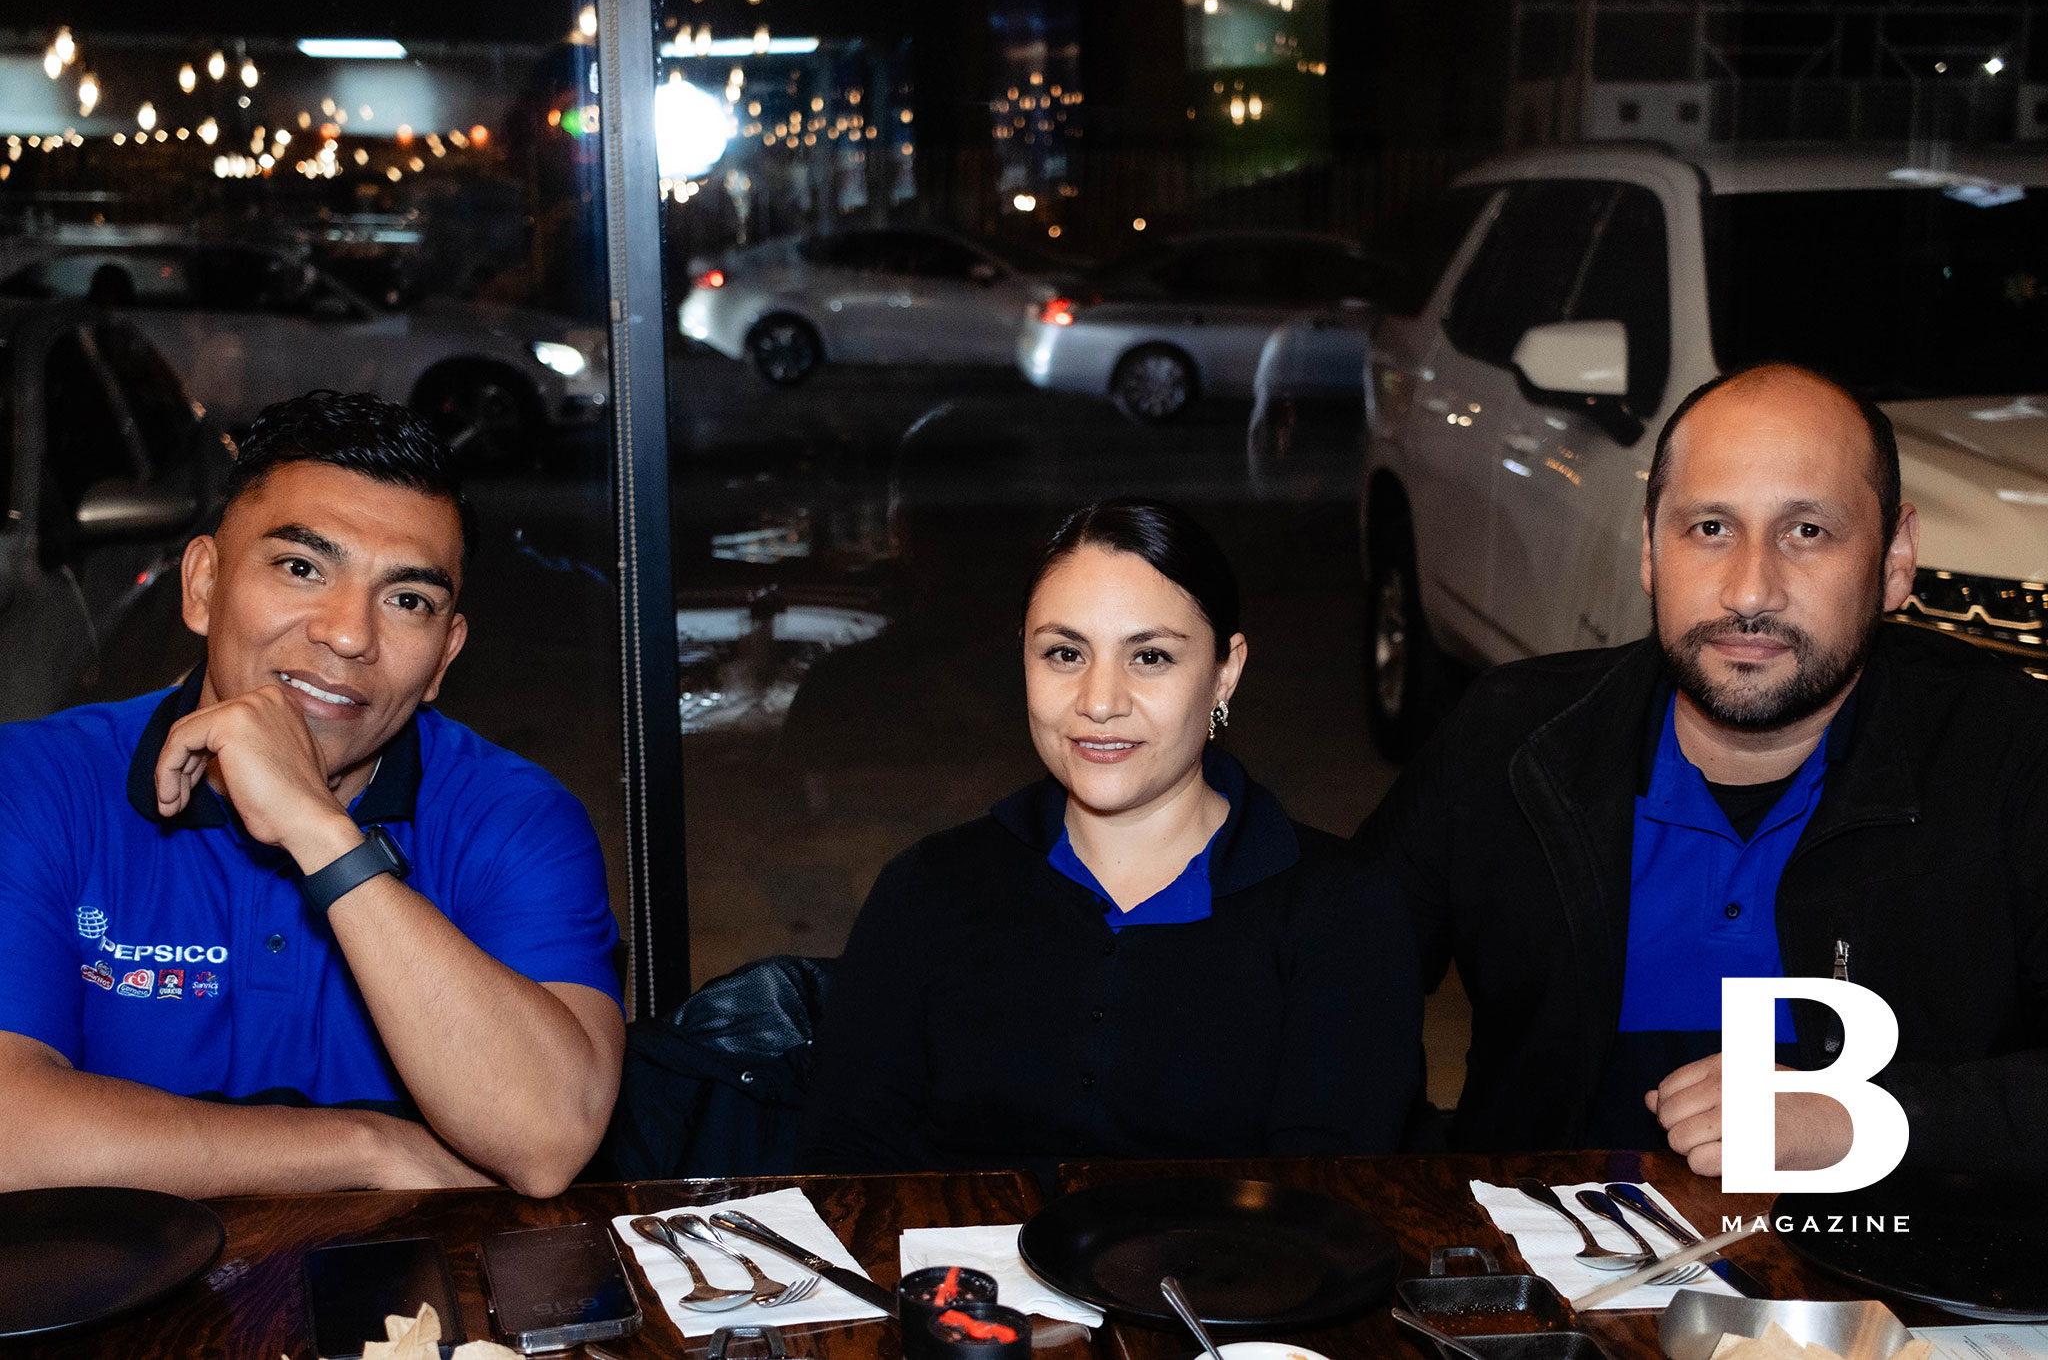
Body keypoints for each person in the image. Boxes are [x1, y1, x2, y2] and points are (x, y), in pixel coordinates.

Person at [1358, 363, 2048, 1176]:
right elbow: (1324, 977)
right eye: (1711, 527)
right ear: (1652, 549)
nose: (1750, 591)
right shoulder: (1513, 741)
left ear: (1896, 559)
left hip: (1887, 1259)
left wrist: (1864, 1118)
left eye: (1807, 531)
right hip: (1547, 1249)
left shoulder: (2010, 752)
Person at [0, 392, 624, 1198]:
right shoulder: (37, 785)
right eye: (302, 567)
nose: (349, 633)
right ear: (203, 586)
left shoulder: (514, 821)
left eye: (408, 600)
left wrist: (322, 832)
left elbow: (547, 1139)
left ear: (443, 657)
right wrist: (366, 1149)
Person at [800, 498, 1421, 1176]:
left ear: (1225, 672)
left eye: (1149, 656)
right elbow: (850, 1169)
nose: (1099, 701)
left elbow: (1324, 1194)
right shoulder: (928, 889)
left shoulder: (1342, 912)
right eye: (1065, 653)